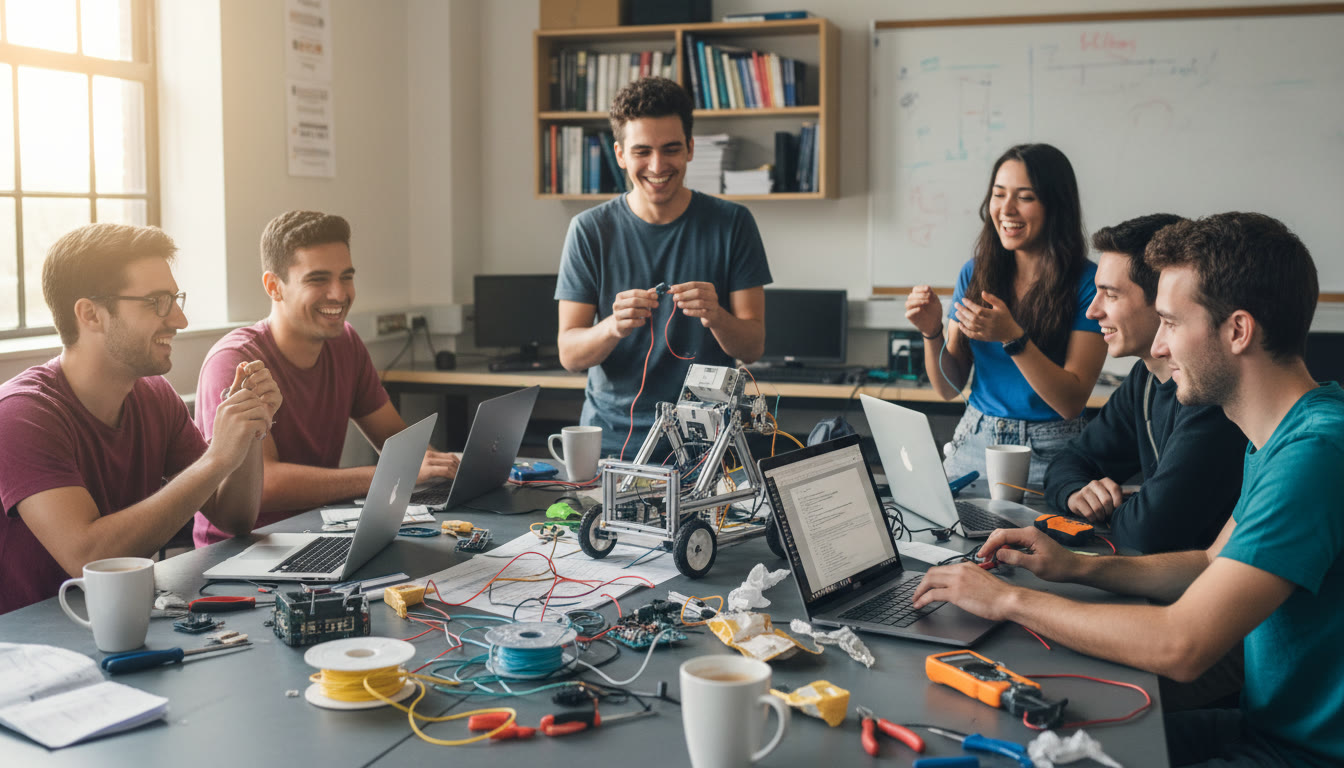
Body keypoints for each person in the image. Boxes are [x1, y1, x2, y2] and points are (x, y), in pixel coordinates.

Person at [912, 212, 1342, 767]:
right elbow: (1213, 562)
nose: (1158, 347)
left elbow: (1179, 646)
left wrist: (1008, 600)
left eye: (1169, 322)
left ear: (1237, 331)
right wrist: (1075, 566)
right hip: (1266, 726)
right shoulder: (1281, 436)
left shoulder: (1316, 455)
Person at [0, 224, 278, 614]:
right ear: (90, 314)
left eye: (175, 299)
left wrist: (247, 429)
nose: (179, 319)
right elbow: (89, 557)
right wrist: (217, 458)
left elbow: (233, 518)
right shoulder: (21, 414)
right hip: (33, 645)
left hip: (126, 620)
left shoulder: (154, 395)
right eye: (157, 302)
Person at [192, 211, 458, 547]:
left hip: (323, 533)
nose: (338, 294)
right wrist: (390, 475)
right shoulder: (235, 361)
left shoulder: (345, 342)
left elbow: (397, 440)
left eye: (346, 277)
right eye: (318, 280)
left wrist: (447, 469)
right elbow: (266, 484)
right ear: (274, 286)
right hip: (240, 553)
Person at [555, 77, 772, 458]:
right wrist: (612, 326)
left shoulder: (733, 223)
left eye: (671, 149)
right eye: (642, 152)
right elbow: (569, 354)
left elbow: (752, 347)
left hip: (708, 448)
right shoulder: (589, 230)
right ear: (620, 154)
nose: (657, 166)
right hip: (612, 447)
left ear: (690, 149)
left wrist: (717, 316)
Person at [905, 144, 1107, 486]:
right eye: (999, 195)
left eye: (1025, 197)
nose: (1006, 209)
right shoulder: (976, 273)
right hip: (976, 438)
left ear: (1055, 205)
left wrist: (1014, 338)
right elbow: (948, 387)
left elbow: (1071, 402)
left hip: (1052, 450)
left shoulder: (1090, 284)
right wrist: (931, 332)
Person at [1044, 213, 1247, 553]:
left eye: (1110, 295)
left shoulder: (1209, 393)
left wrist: (1133, 507)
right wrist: (1077, 493)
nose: (1092, 311)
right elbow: (1070, 462)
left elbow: (1149, 534)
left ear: (1163, 301)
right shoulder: (1146, 378)